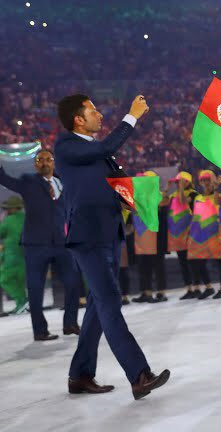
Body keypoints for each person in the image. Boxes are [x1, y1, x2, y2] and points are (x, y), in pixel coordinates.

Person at [54, 93, 169, 399]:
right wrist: (132, 115)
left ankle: (80, 375)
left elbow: (119, 185)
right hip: (87, 236)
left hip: (109, 235)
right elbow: (107, 146)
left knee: (97, 304)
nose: (100, 115)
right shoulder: (66, 145)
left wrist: (142, 193)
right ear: (78, 119)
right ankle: (139, 374)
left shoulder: (97, 152)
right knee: (109, 300)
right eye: (93, 111)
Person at [0, 149, 83, 339]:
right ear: (35, 165)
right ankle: (40, 331)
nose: (44, 162)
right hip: (35, 245)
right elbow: (4, 179)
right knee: (35, 289)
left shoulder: (65, 183)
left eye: (48, 159)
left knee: (73, 282)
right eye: (40, 160)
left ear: (54, 163)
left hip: (61, 243)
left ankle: (70, 323)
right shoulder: (28, 182)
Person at [162, 171, 202, 299]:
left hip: (189, 232)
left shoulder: (194, 194)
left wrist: (179, 189)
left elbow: (184, 202)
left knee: (193, 262)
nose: (178, 183)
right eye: (177, 181)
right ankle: (189, 288)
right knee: (183, 263)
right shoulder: (173, 195)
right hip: (176, 234)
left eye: (180, 181)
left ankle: (197, 287)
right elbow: (162, 201)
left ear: (187, 182)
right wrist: (167, 188)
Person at [188, 170, 221, 299]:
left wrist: (216, 188)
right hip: (200, 235)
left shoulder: (219, 194)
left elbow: (217, 203)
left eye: (208, 180)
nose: (205, 183)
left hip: (216, 232)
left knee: (220, 261)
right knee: (199, 261)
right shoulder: (198, 198)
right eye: (203, 180)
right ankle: (209, 287)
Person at [131, 171, 169, 303]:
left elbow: (162, 209)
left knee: (158, 265)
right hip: (142, 237)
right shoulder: (139, 198)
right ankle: (146, 292)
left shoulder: (158, 196)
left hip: (157, 237)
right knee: (143, 265)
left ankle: (161, 292)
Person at [0, 196, 28, 315]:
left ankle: (21, 302)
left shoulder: (9, 220)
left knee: (5, 279)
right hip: (25, 254)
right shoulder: (26, 217)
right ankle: (22, 304)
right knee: (20, 281)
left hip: (12, 255)